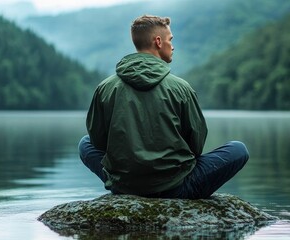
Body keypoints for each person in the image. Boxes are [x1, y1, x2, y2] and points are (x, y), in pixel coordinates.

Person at [78, 15, 248, 199]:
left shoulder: (105, 88)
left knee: (85, 144)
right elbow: (196, 145)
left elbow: (98, 141)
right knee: (238, 150)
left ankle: (123, 184)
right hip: (177, 188)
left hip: (124, 186)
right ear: (158, 42)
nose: (173, 46)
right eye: (170, 40)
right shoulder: (181, 88)